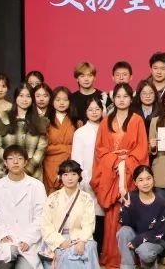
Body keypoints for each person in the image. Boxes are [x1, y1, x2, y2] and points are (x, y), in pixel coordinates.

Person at [92, 83, 150, 268]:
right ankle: (113, 256)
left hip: (130, 173)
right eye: (118, 96)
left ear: (131, 99)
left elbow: (142, 149)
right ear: (113, 99)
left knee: (130, 211)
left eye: (125, 96)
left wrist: (127, 162)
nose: (122, 100)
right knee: (113, 215)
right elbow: (100, 150)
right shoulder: (105, 121)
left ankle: (133, 258)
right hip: (112, 174)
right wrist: (115, 161)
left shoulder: (137, 120)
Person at [0, 145, 48, 269]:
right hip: (6, 243)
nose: (15, 162)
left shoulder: (36, 186)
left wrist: (28, 239)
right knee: (4, 262)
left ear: (26, 162)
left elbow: (41, 217)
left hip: (29, 244)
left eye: (19, 158)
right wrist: (1, 235)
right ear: (5, 162)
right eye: (11, 158)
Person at [40, 159, 100, 269]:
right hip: (57, 237)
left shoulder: (86, 198)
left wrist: (82, 241)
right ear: (60, 177)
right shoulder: (53, 198)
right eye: (65, 174)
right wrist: (60, 241)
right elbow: (46, 225)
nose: (70, 178)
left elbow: (88, 224)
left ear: (79, 176)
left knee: (90, 247)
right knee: (68, 255)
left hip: (79, 236)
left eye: (73, 174)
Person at [117, 165, 165, 269]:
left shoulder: (162, 200)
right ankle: (127, 266)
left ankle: (150, 261)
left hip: (155, 239)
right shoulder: (130, 197)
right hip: (136, 235)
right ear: (135, 182)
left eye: (148, 178)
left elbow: (160, 231)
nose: (145, 183)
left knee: (144, 251)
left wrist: (138, 240)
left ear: (153, 179)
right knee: (123, 232)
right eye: (141, 180)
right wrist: (127, 207)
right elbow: (125, 223)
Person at [71, 97, 107, 253]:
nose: (94, 112)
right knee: (89, 215)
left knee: (103, 215)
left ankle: (101, 251)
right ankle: (90, 252)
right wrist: (82, 179)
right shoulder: (80, 133)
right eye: (90, 109)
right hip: (88, 178)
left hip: (105, 178)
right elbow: (76, 159)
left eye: (97, 109)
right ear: (85, 112)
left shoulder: (107, 129)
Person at [0, 85, 48, 180]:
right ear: (15, 97)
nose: (24, 99)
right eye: (21, 95)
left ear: (32, 99)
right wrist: (11, 168)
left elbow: (41, 149)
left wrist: (26, 170)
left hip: (32, 175)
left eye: (28, 96)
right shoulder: (2, 117)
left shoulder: (40, 121)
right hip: (5, 174)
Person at [44, 86, 79, 193]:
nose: (61, 103)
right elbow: (44, 147)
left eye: (65, 100)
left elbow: (78, 147)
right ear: (52, 101)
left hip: (70, 165)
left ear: (70, 102)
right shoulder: (45, 121)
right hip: (50, 165)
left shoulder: (76, 122)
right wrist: (67, 149)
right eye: (58, 100)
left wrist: (60, 148)